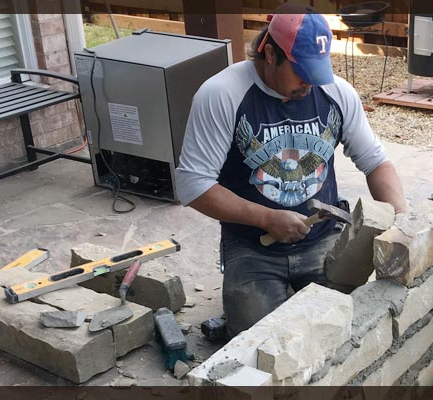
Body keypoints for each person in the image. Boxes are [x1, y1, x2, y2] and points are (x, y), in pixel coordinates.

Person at [174, 5, 408, 338]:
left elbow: (375, 161)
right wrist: (267, 219)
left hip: (322, 240)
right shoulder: (222, 94)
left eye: (317, 71)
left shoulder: (336, 94)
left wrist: (402, 216)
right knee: (257, 344)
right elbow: (193, 185)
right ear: (270, 54)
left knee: (349, 329)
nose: (310, 84)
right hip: (253, 246)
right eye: (301, 72)